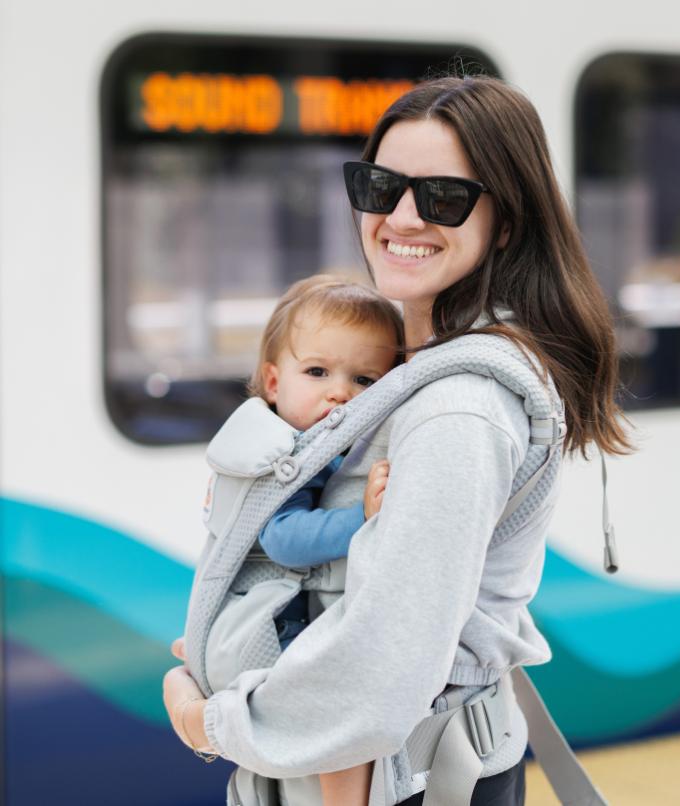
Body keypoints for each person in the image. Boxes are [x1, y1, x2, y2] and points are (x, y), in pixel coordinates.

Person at [164, 73, 630, 805]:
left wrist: (209, 722)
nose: (402, 217)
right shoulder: (405, 371)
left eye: (443, 197)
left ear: (505, 222)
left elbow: (378, 666)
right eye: (381, 187)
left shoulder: (457, 411)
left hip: (414, 781)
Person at [203, 274, 403, 806]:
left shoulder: (310, 442)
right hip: (266, 628)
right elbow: (284, 538)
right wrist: (359, 518)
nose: (339, 392)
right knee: (339, 703)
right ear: (273, 383)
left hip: (264, 619)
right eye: (317, 372)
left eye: (365, 380)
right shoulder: (285, 452)